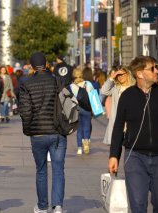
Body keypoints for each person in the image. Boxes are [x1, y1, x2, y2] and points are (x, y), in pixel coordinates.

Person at [108, 56, 158, 213]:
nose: (157, 71)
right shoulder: (127, 96)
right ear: (140, 74)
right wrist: (114, 155)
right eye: (152, 68)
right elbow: (118, 126)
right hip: (135, 157)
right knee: (138, 204)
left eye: (156, 67)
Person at [19, 52, 66, 213]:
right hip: (57, 131)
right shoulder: (57, 81)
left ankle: (42, 206)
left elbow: (25, 112)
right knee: (58, 169)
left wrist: (28, 129)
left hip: (38, 133)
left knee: (41, 170)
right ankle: (58, 206)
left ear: (32, 67)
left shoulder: (26, 84)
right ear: (46, 65)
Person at [101, 66, 135, 145]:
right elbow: (104, 91)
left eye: (122, 74)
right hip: (118, 123)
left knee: (129, 147)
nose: (120, 77)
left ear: (127, 74)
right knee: (116, 147)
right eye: (118, 75)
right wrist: (111, 78)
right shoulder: (115, 89)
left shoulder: (134, 88)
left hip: (130, 123)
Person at [69, 68, 94, 155]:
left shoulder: (71, 86)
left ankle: (79, 148)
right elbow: (93, 95)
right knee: (86, 126)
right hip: (86, 108)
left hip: (77, 109)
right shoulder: (87, 84)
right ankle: (86, 142)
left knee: (79, 129)